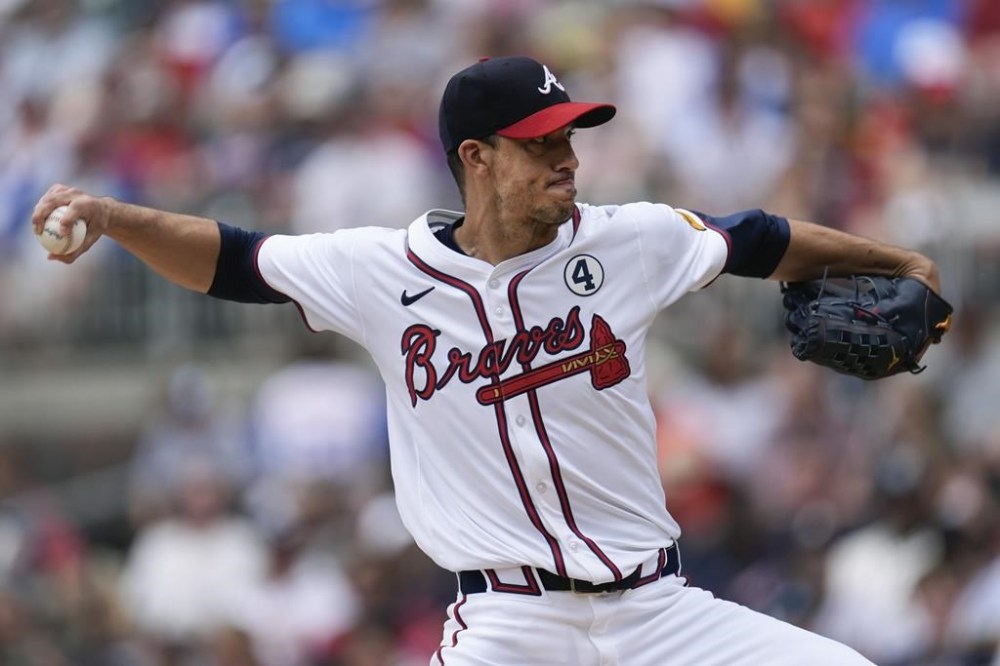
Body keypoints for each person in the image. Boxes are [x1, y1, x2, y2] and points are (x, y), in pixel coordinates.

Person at [33, 55, 945, 665]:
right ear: (476, 157)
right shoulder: (381, 270)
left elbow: (760, 238)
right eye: (540, 141)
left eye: (570, 136)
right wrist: (114, 218)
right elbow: (235, 258)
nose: (568, 157)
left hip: (661, 612)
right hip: (512, 626)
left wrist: (895, 262)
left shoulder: (631, 240)